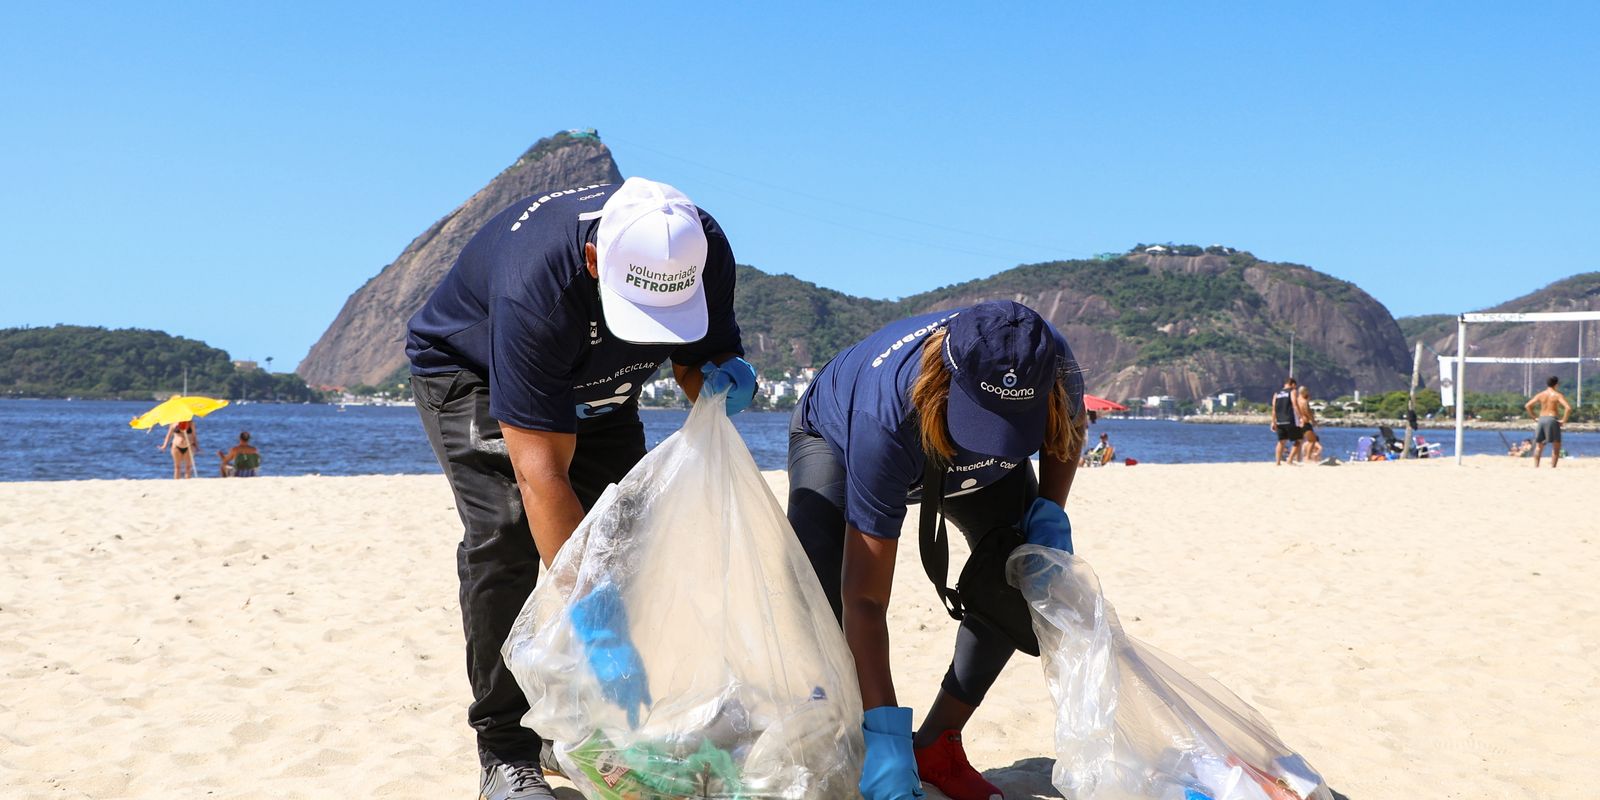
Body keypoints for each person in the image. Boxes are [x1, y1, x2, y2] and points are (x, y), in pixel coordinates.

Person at [405, 177, 756, 800]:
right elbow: (543, 476)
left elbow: (696, 358)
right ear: (596, 259)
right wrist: (597, 623)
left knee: (625, 538)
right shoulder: (535, 287)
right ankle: (505, 751)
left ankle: (571, 731)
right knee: (507, 538)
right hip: (476, 372)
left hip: (605, 388)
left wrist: (721, 385)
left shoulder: (700, 246)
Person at [787, 301, 1085, 800]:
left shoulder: (1051, 361)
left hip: (979, 466)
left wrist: (1049, 512)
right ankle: (862, 741)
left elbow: (1067, 432)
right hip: (840, 440)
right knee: (823, 596)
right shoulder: (881, 417)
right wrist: (885, 734)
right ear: (944, 378)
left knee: (1022, 581)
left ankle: (937, 744)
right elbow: (867, 599)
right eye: (987, 418)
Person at [1524, 376, 1572, 468]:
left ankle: (1536, 466)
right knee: (1556, 445)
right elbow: (1568, 408)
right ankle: (1553, 467)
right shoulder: (1557, 395)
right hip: (1552, 419)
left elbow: (1527, 405)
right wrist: (1564, 420)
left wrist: (1534, 417)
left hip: (1541, 419)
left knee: (1539, 446)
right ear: (1556, 384)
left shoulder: (1541, 394)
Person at [1270, 377, 1302, 465]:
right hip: (1289, 420)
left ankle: (1277, 462)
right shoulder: (1292, 391)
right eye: (1295, 386)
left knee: (1281, 442)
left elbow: (1273, 409)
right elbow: (1295, 404)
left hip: (1279, 421)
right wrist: (1300, 417)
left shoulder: (1276, 393)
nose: (1295, 388)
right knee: (1298, 440)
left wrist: (1273, 421)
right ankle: (1290, 460)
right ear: (1293, 384)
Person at [1295, 386, 1322, 462]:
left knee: (1299, 441)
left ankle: (1297, 458)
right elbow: (1307, 412)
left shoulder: (1296, 400)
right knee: (1312, 440)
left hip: (1298, 422)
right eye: (1307, 392)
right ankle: (1307, 457)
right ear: (1304, 392)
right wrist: (1314, 421)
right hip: (1305, 422)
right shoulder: (1304, 401)